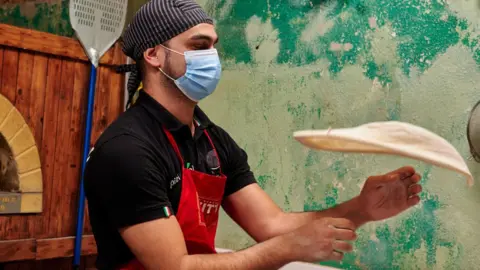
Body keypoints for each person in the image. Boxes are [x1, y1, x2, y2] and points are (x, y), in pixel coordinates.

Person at [83, 0, 423, 269]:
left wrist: (362, 208)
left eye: (213, 46)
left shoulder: (213, 140)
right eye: (199, 45)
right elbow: (177, 266)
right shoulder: (127, 151)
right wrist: (287, 249)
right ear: (154, 54)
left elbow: (272, 224)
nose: (212, 57)